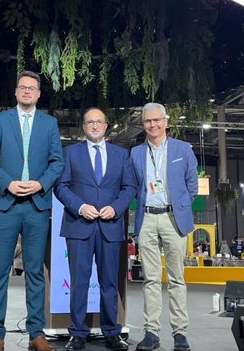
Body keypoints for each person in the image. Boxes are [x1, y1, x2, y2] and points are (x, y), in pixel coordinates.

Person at [0, 70, 64, 351]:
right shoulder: (0, 121)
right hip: (5, 204)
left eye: (32, 88)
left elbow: (57, 163)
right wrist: (9, 183)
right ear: (16, 92)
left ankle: (36, 333)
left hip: (36, 205)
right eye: (22, 87)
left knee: (35, 272)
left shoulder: (49, 123)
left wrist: (40, 184)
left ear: (39, 94)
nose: (27, 91)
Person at [54, 107, 136, 351]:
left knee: (110, 282)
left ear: (107, 126)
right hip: (79, 226)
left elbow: (130, 186)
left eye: (99, 121)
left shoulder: (121, 154)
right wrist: (80, 207)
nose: (94, 125)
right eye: (90, 122)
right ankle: (77, 333)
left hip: (110, 226)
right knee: (79, 282)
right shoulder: (70, 153)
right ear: (83, 127)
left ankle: (112, 332)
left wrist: (116, 208)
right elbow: (60, 186)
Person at [130, 103, 197, 351]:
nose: (152, 125)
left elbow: (192, 185)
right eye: (148, 121)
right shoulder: (136, 153)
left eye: (157, 120)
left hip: (173, 219)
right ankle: (152, 332)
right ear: (143, 124)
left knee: (177, 279)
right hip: (146, 218)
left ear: (166, 121)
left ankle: (180, 333)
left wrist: (179, 207)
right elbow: (132, 185)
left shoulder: (183, 149)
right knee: (150, 279)